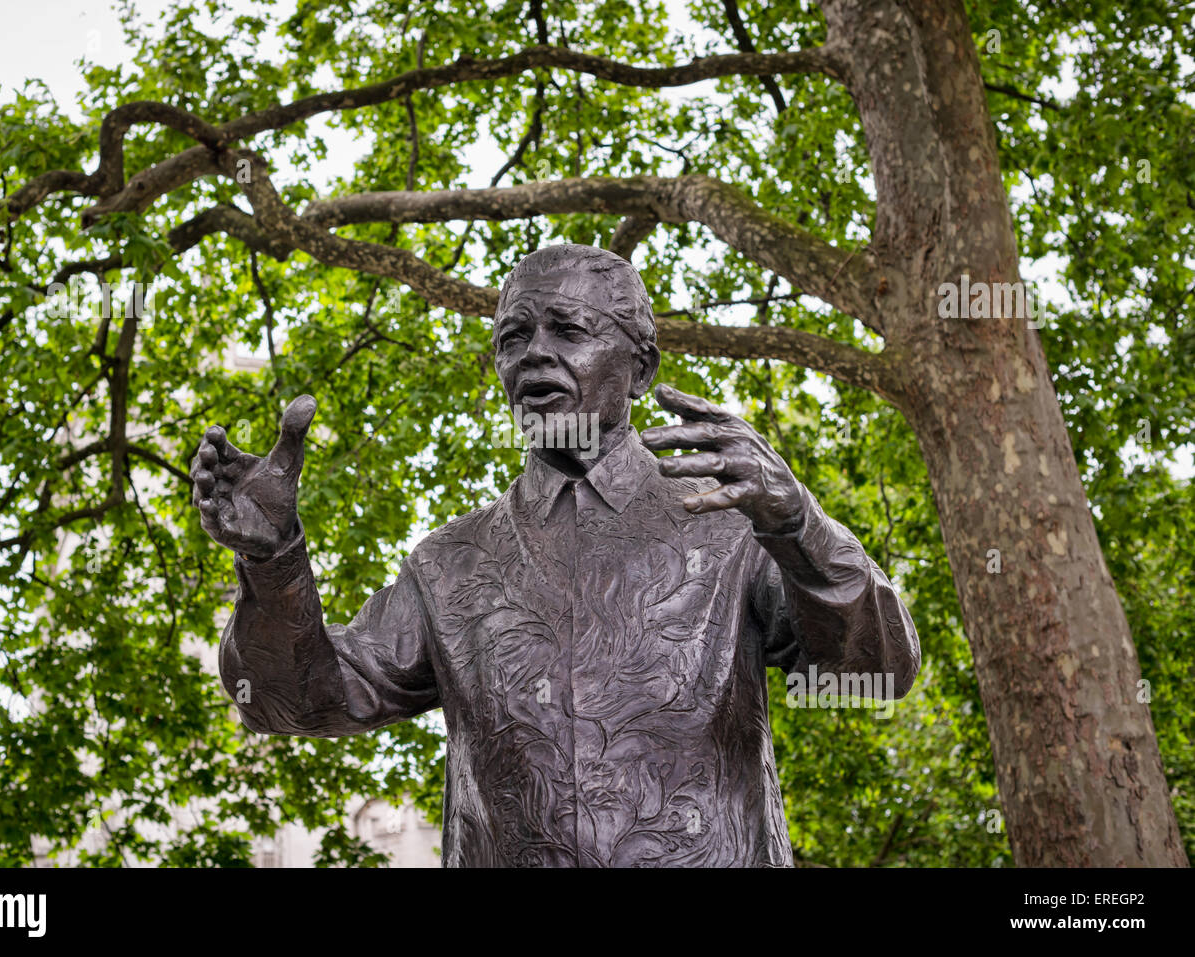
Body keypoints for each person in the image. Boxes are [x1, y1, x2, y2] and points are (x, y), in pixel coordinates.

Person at [191, 243, 920, 867]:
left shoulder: (734, 525)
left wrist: (798, 526)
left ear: (638, 369)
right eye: (514, 336)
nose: (535, 351)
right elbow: (299, 699)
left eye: (568, 329)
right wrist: (274, 560)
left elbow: (879, 672)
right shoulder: (450, 563)